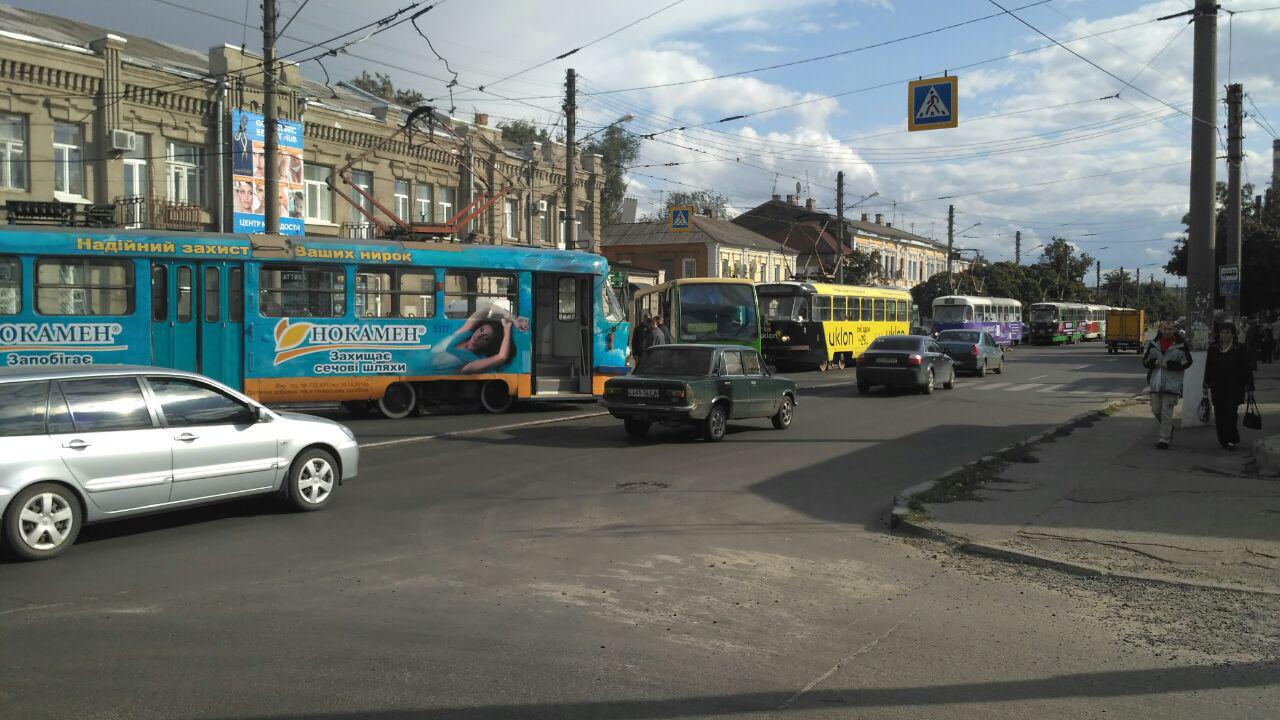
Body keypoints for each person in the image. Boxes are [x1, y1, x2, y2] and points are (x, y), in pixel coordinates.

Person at [428, 306, 530, 375]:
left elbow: (501, 357)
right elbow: (488, 306)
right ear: (477, 328)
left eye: (485, 338)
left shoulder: (471, 362)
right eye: (481, 330)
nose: (478, 336)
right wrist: (513, 319)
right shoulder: (464, 334)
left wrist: (507, 329)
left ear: (488, 346)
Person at [1142, 320, 1193, 450]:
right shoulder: (1154, 343)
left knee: (1166, 411)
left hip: (1172, 383)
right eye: (1164, 329)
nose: (1167, 331)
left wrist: (1169, 365)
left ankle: (1164, 438)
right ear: (1161, 329)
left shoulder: (1180, 345)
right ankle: (1168, 428)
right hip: (1155, 383)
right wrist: (1154, 362)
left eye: (1170, 329)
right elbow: (1146, 361)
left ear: (1175, 330)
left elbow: (1187, 362)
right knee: (1156, 409)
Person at [1203, 324, 1254, 450]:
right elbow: (1208, 366)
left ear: (1233, 334)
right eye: (1222, 332)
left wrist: (1249, 386)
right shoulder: (1214, 348)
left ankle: (1232, 439)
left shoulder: (1239, 348)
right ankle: (1223, 439)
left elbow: (1246, 368)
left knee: (1231, 414)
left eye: (1227, 332)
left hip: (1234, 388)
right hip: (1217, 388)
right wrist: (1205, 383)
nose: (1224, 335)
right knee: (1220, 416)